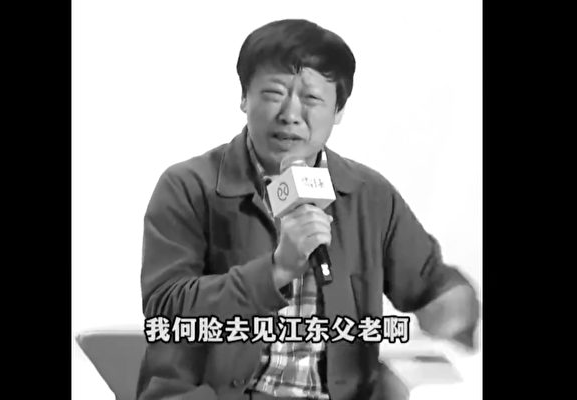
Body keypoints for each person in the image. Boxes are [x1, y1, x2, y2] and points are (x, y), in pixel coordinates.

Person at [136, 18, 480, 400]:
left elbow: (433, 284)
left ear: (338, 111)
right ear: (244, 98)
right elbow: (165, 311)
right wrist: (276, 270)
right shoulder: (188, 186)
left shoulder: (369, 195)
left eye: (312, 99)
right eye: (274, 93)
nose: (290, 113)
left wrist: (453, 308)